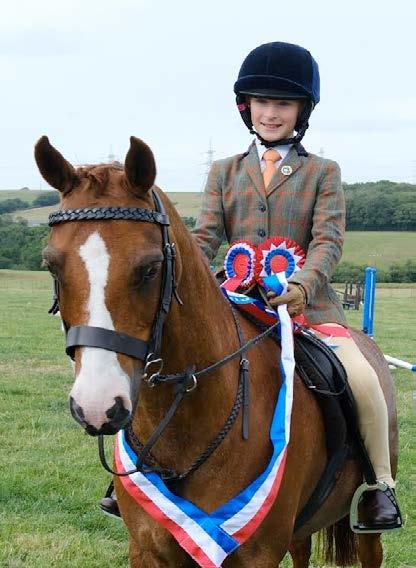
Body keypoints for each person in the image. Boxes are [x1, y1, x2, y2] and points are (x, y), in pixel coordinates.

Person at [191, 41, 401, 531]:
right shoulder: (223, 172)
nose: (271, 113)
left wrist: (303, 286)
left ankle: (378, 485)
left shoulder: (323, 173)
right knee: (167, 361)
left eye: (283, 103)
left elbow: (328, 241)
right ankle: (140, 473)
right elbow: (204, 237)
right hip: (235, 303)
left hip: (309, 310)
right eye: (262, 102)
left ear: (302, 111)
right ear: (246, 107)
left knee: (363, 379)